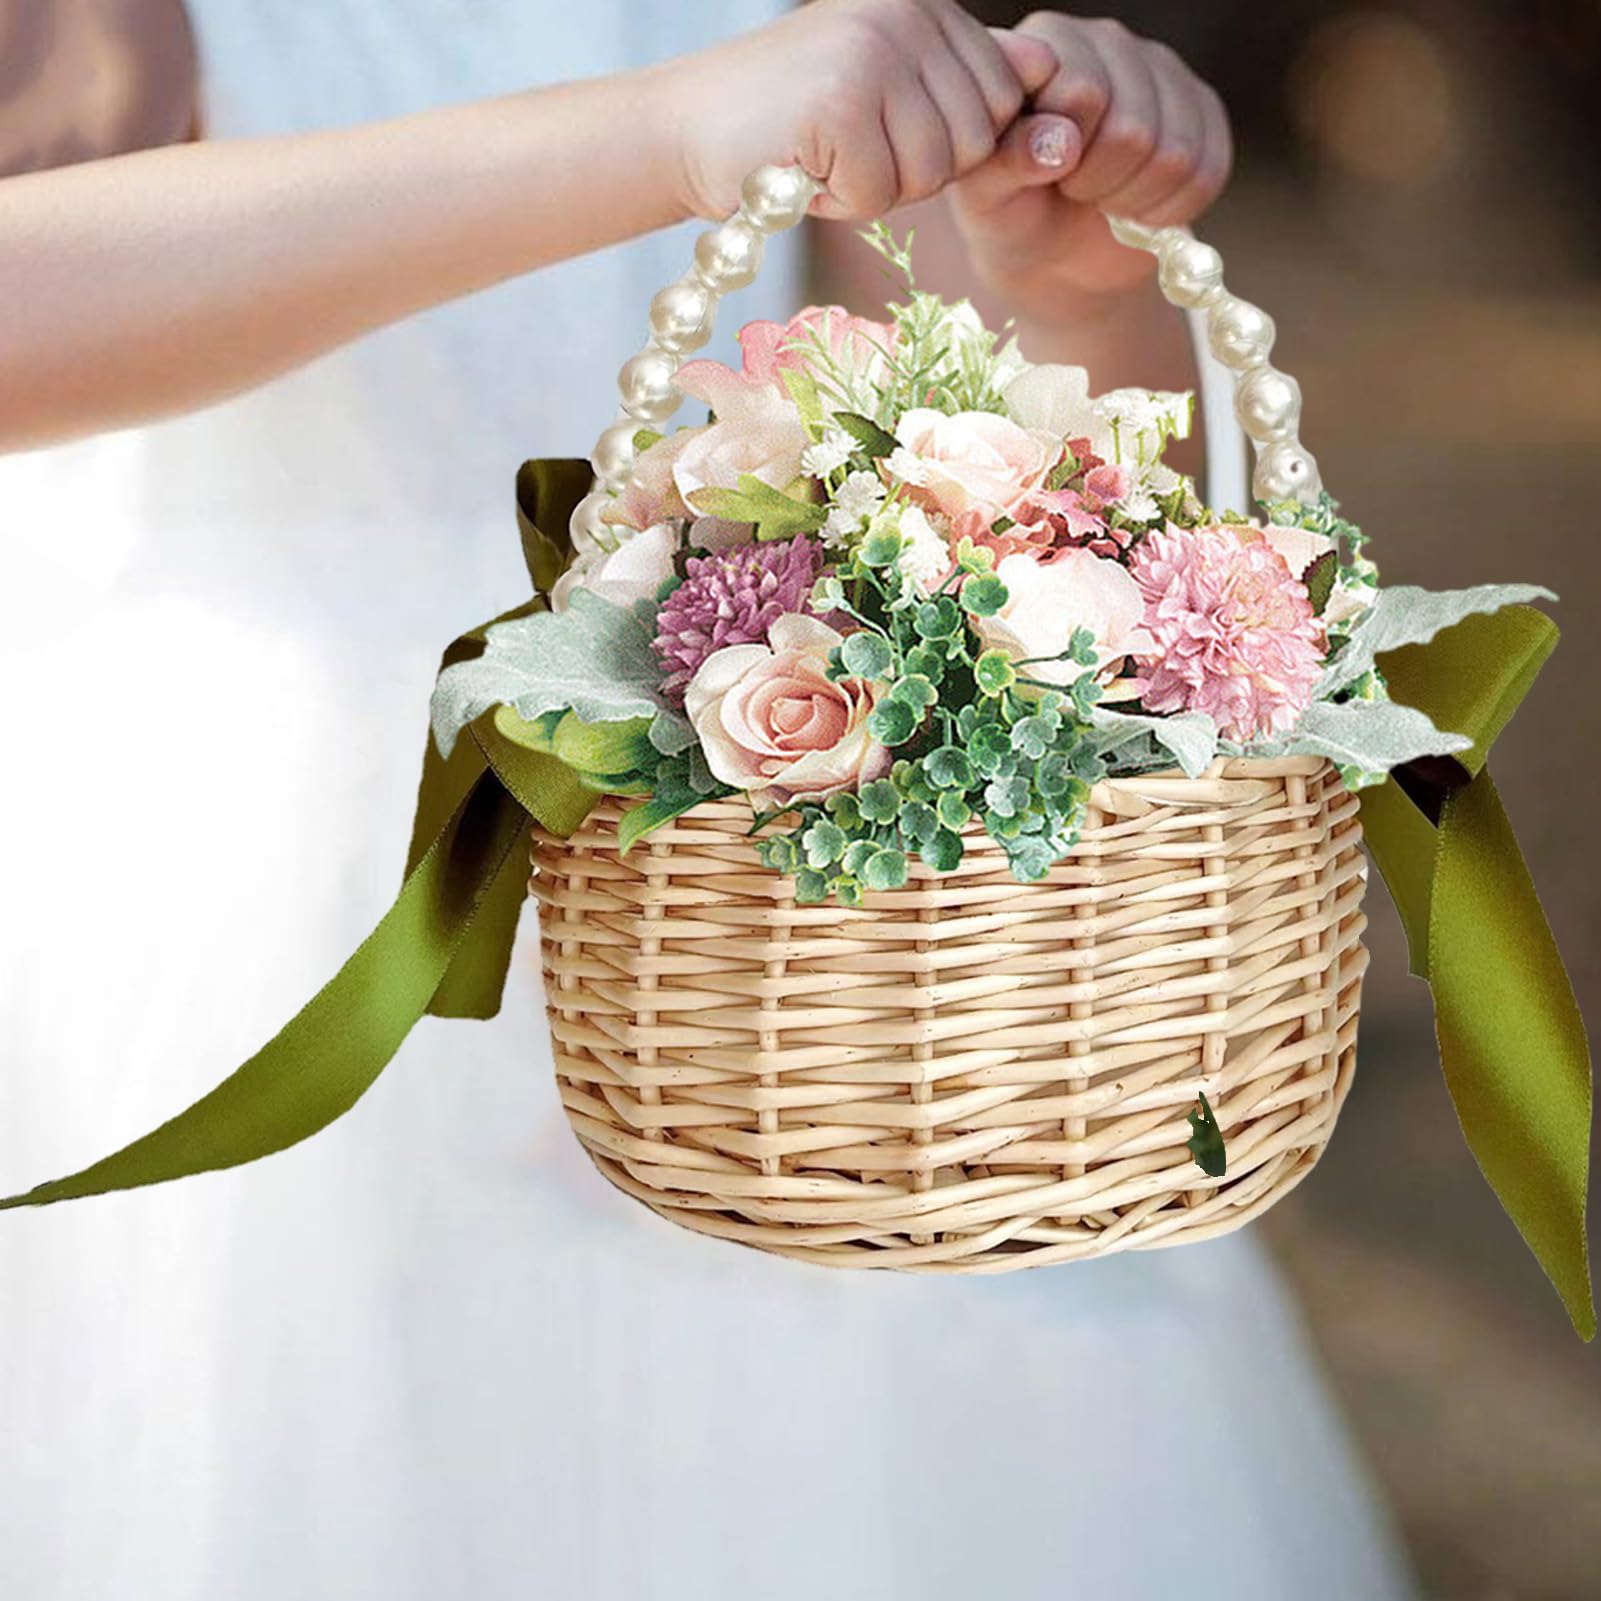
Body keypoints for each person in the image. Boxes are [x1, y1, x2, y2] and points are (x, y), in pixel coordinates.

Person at [0, 3, 1415, 1597]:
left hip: (749, 934)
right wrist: (661, 135)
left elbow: (944, 441)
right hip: (259, 880)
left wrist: (1061, 277)